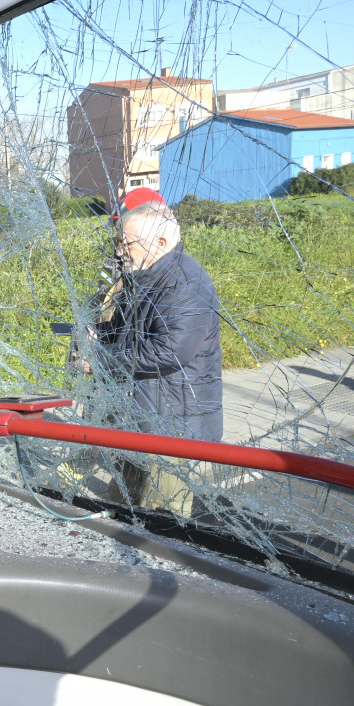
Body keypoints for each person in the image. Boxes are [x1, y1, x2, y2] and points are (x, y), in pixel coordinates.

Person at [90, 201, 223, 517]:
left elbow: (168, 352)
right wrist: (98, 333)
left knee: (162, 521)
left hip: (172, 425)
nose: (119, 250)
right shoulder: (146, 276)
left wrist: (102, 358)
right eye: (118, 241)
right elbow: (129, 332)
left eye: (127, 243)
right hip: (142, 416)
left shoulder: (185, 284)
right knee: (122, 502)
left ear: (161, 243)